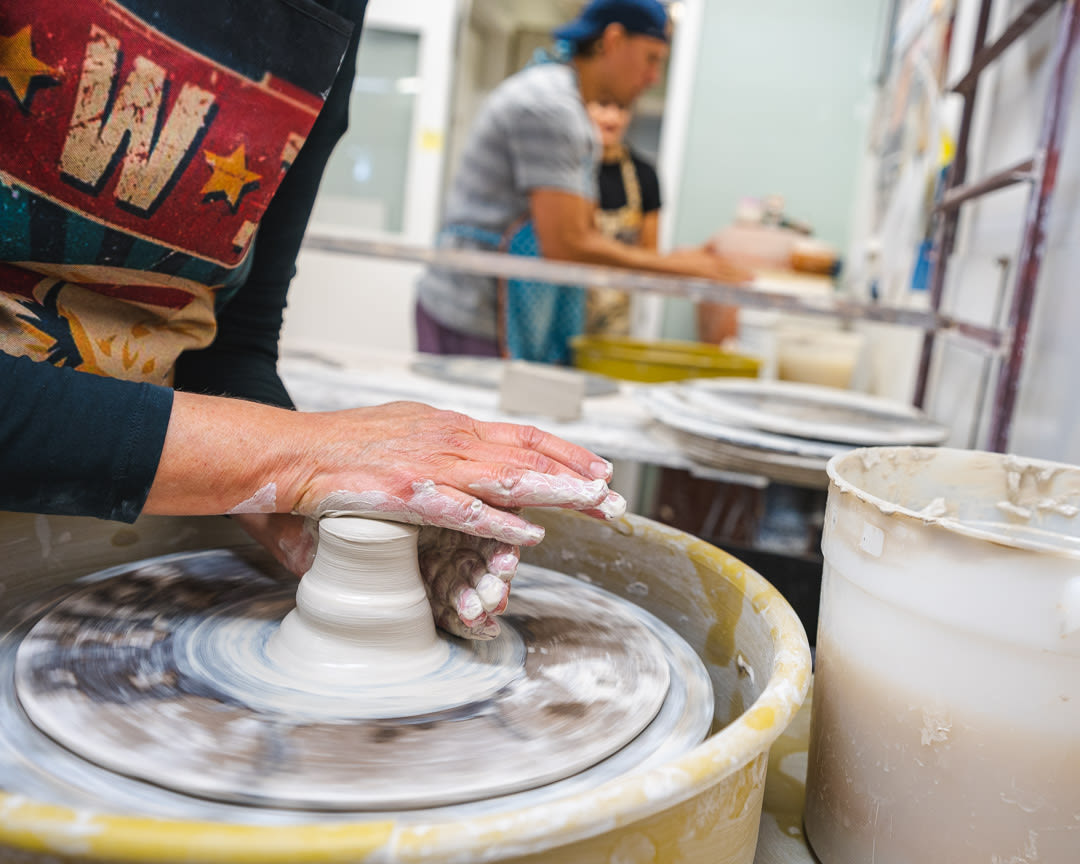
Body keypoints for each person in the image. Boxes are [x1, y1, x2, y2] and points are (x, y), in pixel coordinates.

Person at [0, 0, 623, 640]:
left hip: (133, 504)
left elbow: (231, 347)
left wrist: (311, 525)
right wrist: (298, 456)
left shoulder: (329, 19)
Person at [415, 0, 751, 363]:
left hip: (502, 309)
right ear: (614, 40)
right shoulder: (551, 108)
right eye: (651, 59)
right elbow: (568, 244)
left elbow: (579, 231)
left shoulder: (567, 103)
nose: (654, 77)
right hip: (472, 314)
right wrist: (682, 268)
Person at [584, 99, 661, 336]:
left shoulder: (644, 175)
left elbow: (649, 251)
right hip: (567, 302)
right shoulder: (568, 172)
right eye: (603, 106)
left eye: (621, 108)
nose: (612, 118)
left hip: (617, 317)